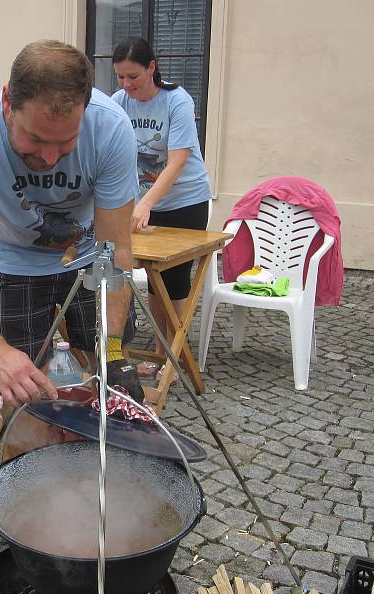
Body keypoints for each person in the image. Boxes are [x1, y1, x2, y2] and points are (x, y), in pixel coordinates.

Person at [0, 40, 144, 407]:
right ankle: (25, 458)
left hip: (89, 256)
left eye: (67, 140)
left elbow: (113, 249)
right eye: (35, 139)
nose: (51, 157)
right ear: (8, 102)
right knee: (23, 396)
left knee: (105, 376)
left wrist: (114, 351)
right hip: (10, 263)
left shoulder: (110, 129)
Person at [111, 37, 212, 381]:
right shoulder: (119, 102)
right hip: (144, 202)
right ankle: (159, 351)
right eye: (121, 78)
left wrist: (147, 204)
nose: (127, 85)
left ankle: (177, 353)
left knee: (175, 278)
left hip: (185, 200)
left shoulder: (177, 101)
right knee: (154, 279)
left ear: (152, 67)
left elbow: (178, 159)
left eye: (133, 77)